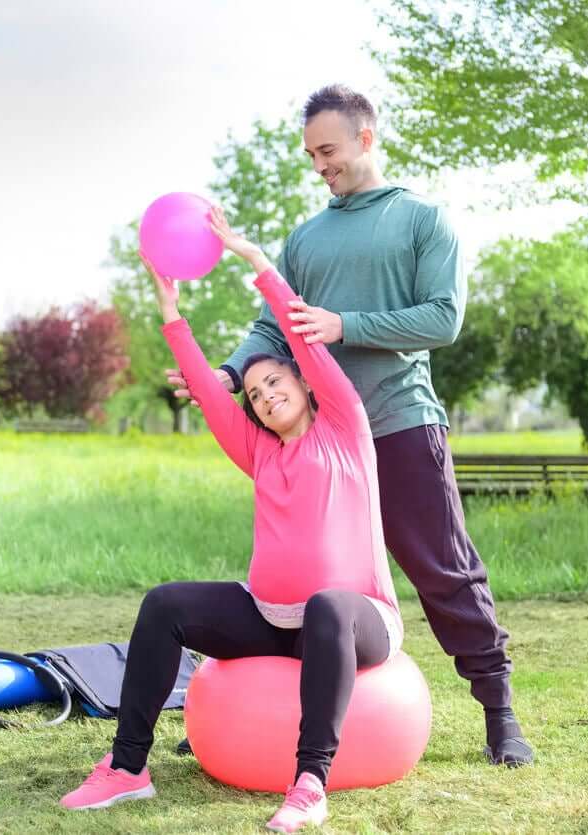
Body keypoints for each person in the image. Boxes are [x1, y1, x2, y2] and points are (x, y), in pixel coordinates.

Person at [168, 84, 534, 767]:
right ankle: (248, 715)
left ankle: (499, 713)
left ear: (365, 138)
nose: (319, 165)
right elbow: (272, 325)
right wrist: (224, 373)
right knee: (294, 580)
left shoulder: (423, 220)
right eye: (310, 155)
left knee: (444, 570)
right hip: (316, 445)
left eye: (328, 150)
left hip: (398, 422)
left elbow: (441, 319)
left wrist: (346, 326)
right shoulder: (306, 238)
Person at [60, 207, 404, 834]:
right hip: (274, 619)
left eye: (276, 381)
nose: (267, 395)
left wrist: (255, 262)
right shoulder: (258, 452)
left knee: (329, 603)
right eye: (256, 394)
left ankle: (310, 783)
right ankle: (129, 766)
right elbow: (208, 393)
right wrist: (170, 310)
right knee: (164, 605)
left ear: (302, 384)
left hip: (357, 623)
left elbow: (303, 336)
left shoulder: (345, 429)